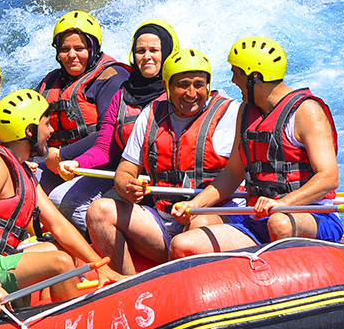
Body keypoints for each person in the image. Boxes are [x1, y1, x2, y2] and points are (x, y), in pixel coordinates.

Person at [0, 89, 123, 313]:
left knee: (61, 250)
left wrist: (100, 265)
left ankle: (44, 312)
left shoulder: (22, 171)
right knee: (61, 263)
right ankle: (71, 322)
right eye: (46, 124)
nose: (51, 130)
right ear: (29, 130)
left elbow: (58, 225)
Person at [169, 36, 342, 257]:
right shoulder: (245, 112)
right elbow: (233, 173)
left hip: (312, 216)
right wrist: (194, 204)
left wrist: (283, 203)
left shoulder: (306, 111)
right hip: (257, 217)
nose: (233, 80)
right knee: (187, 238)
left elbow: (328, 178)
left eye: (236, 73)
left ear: (255, 77)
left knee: (279, 223)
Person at [86, 49, 241, 274]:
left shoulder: (231, 114)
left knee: (199, 223)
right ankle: (127, 283)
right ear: (167, 87)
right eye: (183, 85)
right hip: (163, 222)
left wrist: (196, 206)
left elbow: (238, 174)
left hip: (213, 219)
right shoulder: (151, 114)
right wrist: (127, 186)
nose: (192, 93)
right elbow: (125, 170)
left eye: (199, 85)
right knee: (98, 211)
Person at [56, 19, 178, 233]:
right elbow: (104, 148)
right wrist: (76, 163)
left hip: (164, 181)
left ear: (168, 53)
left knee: (100, 207)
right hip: (125, 175)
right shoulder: (122, 95)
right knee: (61, 199)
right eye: (140, 51)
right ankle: (102, 242)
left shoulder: (178, 95)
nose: (146, 56)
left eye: (154, 50)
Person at [35, 11, 129, 199]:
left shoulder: (111, 77)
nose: (72, 55)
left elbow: (110, 135)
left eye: (79, 48)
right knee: (18, 181)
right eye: (65, 49)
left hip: (102, 166)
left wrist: (63, 155)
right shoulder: (51, 80)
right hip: (57, 163)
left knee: (60, 198)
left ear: (93, 49)